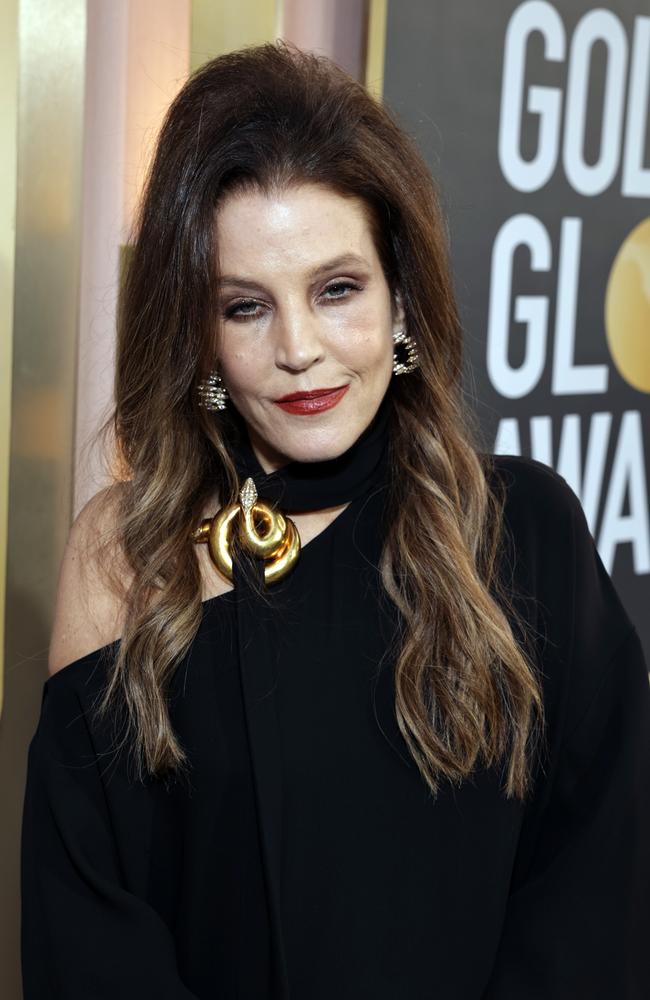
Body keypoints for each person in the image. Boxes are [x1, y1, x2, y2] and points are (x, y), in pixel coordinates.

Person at [21, 40, 650, 1000]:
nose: (299, 350)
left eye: (336, 289)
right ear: (198, 333)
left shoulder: (525, 530)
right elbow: (89, 932)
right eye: (245, 307)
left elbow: (596, 892)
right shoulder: (126, 551)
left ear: (400, 297)